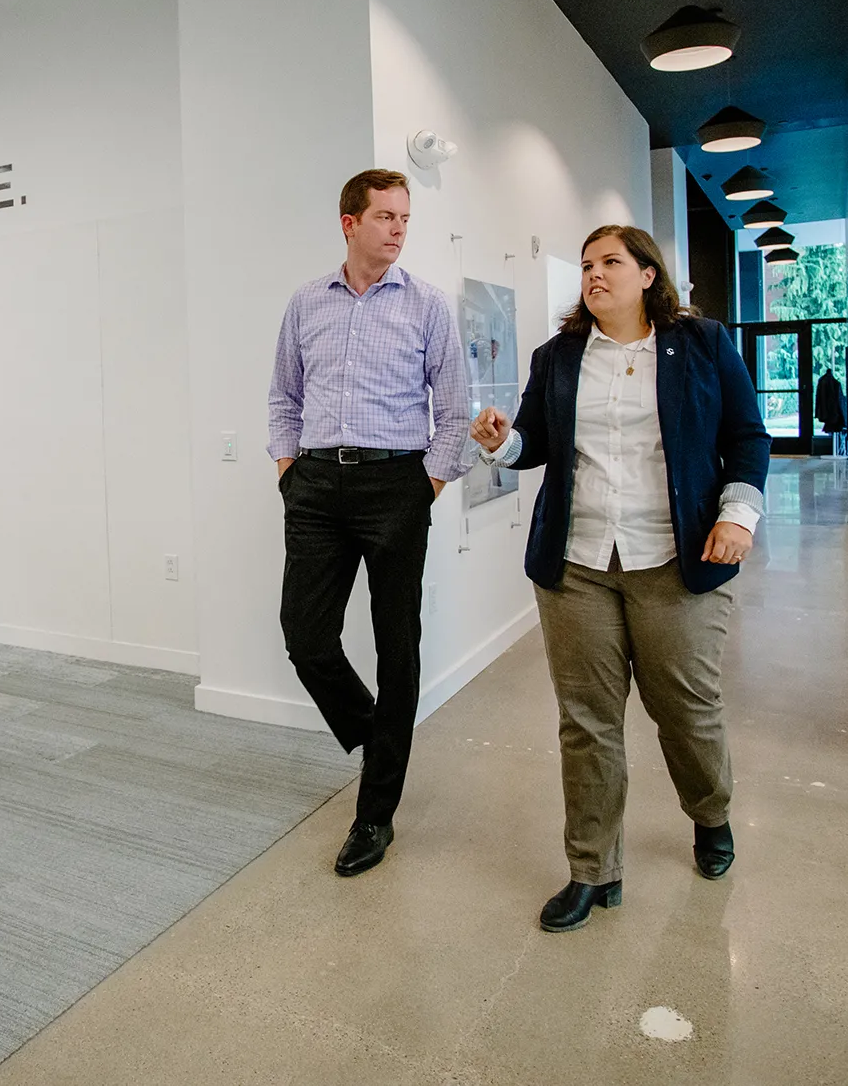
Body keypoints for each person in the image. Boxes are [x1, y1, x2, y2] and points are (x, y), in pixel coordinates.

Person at [471, 226, 769, 932]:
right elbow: (532, 445)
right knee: (586, 723)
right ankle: (590, 868)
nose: (593, 274)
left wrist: (738, 514)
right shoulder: (559, 356)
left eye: (609, 262)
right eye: (585, 265)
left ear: (645, 273)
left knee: (686, 711)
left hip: (675, 559)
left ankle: (710, 813)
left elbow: (746, 436)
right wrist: (499, 442)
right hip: (576, 567)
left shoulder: (701, 344)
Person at [268, 168, 470, 877]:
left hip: (396, 484)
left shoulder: (427, 305)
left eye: (405, 217)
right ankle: (375, 731)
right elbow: (282, 396)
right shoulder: (305, 302)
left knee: (396, 647)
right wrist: (287, 470)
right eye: (384, 215)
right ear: (348, 221)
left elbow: (454, 410)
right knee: (305, 636)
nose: (397, 228)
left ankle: (374, 815)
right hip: (316, 484)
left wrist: (428, 485)